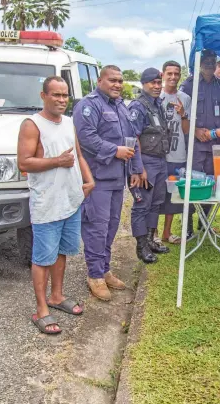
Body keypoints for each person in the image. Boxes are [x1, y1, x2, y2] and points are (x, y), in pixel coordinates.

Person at [18, 76, 95, 334]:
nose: (62, 100)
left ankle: (57, 296)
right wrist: (55, 162)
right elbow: (24, 163)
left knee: (62, 251)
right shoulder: (32, 125)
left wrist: (89, 179)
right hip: (47, 203)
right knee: (42, 257)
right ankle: (41, 309)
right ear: (43, 96)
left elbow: (78, 155)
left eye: (65, 95)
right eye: (56, 95)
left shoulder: (69, 122)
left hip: (70, 200)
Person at [74, 65, 139, 301]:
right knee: (97, 227)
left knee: (111, 226)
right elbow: (86, 138)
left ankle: (105, 269)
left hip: (117, 178)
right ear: (100, 80)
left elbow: (132, 139)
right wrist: (115, 151)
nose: (117, 85)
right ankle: (94, 275)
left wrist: (134, 167)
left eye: (120, 81)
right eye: (112, 80)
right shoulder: (88, 105)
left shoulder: (121, 105)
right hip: (97, 179)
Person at [180, 49, 220, 223]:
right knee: (193, 181)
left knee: (211, 182)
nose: (210, 64)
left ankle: (204, 222)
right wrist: (195, 130)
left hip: (215, 144)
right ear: (199, 63)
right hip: (196, 144)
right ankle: (187, 223)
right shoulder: (189, 85)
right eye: (206, 61)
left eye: (213, 61)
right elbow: (182, 113)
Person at [128, 68, 171, 264]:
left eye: (158, 83)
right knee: (142, 205)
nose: (156, 86)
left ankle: (151, 239)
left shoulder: (157, 104)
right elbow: (132, 138)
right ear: (143, 84)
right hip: (145, 161)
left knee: (156, 203)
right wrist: (139, 168)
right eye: (152, 83)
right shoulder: (138, 107)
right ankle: (141, 246)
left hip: (160, 160)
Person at [159, 61, 191, 244]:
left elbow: (186, 130)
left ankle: (167, 232)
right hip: (159, 155)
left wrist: (183, 114)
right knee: (157, 195)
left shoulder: (184, 98)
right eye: (169, 73)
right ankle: (153, 234)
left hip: (178, 154)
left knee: (172, 195)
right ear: (163, 75)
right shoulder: (157, 96)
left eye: (176, 73)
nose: (172, 77)